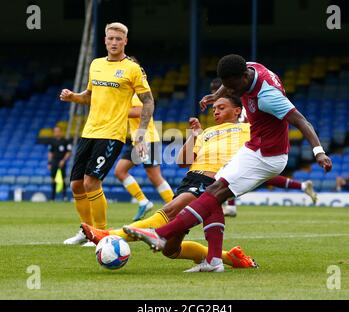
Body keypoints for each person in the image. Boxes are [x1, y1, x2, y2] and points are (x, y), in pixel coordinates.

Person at [123, 54, 332, 272]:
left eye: (232, 87)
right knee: (215, 192)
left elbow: (301, 121)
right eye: (227, 85)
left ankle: (159, 235)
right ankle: (213, 261)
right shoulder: (249, 67)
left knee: (215, 191)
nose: (230, 91)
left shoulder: (268, 96)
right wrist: (216, 94)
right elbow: (227, 84)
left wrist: (319, 152)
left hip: (267, 155)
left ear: (243, 77)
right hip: (254, 146)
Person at [82, 95, 258, 270]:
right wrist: (194, 136)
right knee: (170, 250)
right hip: (190, 179)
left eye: (221, 108)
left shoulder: (248, 129)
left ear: (237, 111)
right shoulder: (207, 132)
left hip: (212, 180)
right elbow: (182, 161)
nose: (216, 111)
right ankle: (230, 257)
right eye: (214, 109)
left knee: (169, 211)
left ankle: (108, 234)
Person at [59, 22, 154, 246]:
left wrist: (140, 133)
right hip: (89, 131)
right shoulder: (96, 64)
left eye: (118, 39)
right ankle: (86, 231)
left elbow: (148, 101)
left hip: (112, 134)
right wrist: (74, 96)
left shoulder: (132, 68)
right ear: (105, 40)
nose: (114, 42)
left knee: (91, 182)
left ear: (125, 42)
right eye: (110, 38)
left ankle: (100, 234)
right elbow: (89, 96)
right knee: (76, 185)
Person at [209, 78, 317, 217]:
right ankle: (302, 186)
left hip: (251, 142)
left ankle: (227, 205)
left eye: (214, 91)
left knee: (228, 173)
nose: (214, 95)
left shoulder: (239, 106)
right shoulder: (239, 102)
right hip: (251, 143)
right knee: (262, 177)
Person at [114, 60, 174, 221]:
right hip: (139, 140)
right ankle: (144, 201)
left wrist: (116, 110)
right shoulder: (130, 92)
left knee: (154, 176)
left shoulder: (137, 92)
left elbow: (140, 110)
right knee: (121, 171)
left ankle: (175, 206)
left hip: (148, 139)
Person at [47, 126, 72, 201]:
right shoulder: (52, 141)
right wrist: (49, 163)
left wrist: (63, 160)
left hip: (62, 162)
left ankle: (64, 196)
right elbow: (50, 153)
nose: (56, 133)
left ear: (60, 132)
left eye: (57, 131)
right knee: (53, 179)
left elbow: (69, 152)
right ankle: (52, 197)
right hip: (54, 161)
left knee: (63, 179)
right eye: (55, 131)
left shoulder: (65, 141)